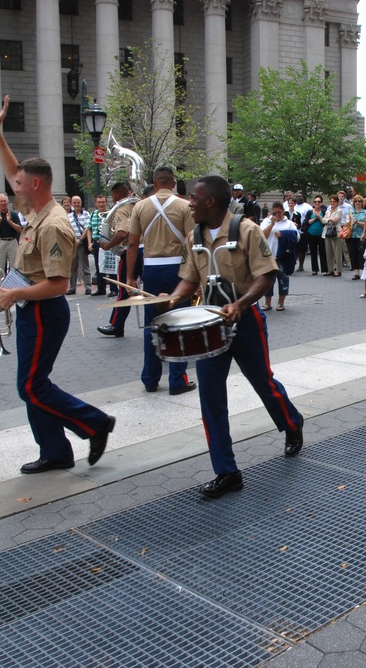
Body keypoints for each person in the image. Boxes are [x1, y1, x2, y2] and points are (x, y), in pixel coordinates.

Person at [0, 95, 115, 473]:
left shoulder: (54, 223)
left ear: (38, 183)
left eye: (21, 182)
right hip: (33, 311)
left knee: (30, 386)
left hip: (45, 311)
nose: (15, 185)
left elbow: (59, 285)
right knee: (34, 384)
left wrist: (14, 292)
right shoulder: (36, 210)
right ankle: (55, 451)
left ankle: (94, 423)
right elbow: (13, 167)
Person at [163, 176, 304, 499]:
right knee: (210, 398)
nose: (190, 203)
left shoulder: (246, 231)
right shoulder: (192, 236)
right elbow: (188, 279)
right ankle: (227, 471)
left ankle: (292, 422)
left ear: (210, 201)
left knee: (263, 382)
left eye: (194, 198)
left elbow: (266, 274)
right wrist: (172, 298)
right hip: (209, 327)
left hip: (246, 322)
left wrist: (240, 304)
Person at [125, 166, 197, 396]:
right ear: (173, 183)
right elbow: (191, 242)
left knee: (151, 324)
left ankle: (149, 378)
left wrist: (129, 276)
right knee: (179, 323)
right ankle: (177, 380)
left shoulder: (140, 206)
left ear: (155, 183)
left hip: (152, 271)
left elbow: (132, 244)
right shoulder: (185, 206)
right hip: (178, 269)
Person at [97, 183, 140, 337]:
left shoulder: (122, 208)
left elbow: (122, 233)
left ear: (117, 195)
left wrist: (108, 245)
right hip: (146, 251)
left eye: (113, 196)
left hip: (130, 252)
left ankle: (116, 325)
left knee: (124, 290)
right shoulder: (139, 205)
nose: (112, 199)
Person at [260, 202, 297, 311]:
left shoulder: (289, 223)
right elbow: (261, 236)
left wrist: (283, 235)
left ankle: (281, 303)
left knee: (283, 279)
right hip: (268, 256)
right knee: (268, 280)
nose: (277, 215)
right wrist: (272, 224)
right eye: (275, 213)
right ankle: (267, 303)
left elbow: (296, 237)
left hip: (282, 256)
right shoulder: (266, 222)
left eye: (279, 213)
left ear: (283, 211)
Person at [66, 195, 92, 295]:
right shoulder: (68, 216)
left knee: (85, 266)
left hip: (82, 243)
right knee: (73, 266)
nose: (76, 204)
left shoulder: (86, 214)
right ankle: (72, 287)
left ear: (81, 203)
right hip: (72, 244)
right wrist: (73, 240)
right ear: (72, 204)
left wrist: (80, 239)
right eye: (75, 202)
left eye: (78, 202)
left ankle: (88, 287)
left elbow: (87, 228)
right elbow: (67, 228)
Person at [0, 193, 22, 275]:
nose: (3, 203)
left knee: (14, 266)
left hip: (12, 241)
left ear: (7, 203)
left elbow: (19, 229)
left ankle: (13, 285)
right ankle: (0, 285)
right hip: (0, 242)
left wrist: (10, 222)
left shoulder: (13, 214)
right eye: (1, 201)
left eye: (5, 201)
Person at [322, 195, 345, 277]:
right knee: (329, 252)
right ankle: (330, 269)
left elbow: (335, 220)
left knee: (337, 252)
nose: (332, 203)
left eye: (334, 202)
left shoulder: (339, 211)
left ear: (337, 202)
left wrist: (328, 219)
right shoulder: (328, 211)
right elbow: (323, 220)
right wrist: (329, 219)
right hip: (327, 232)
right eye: (331, 201)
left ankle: (339, 270)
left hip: (336, 232)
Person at [347, 194, 366, 280]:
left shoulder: (365, 212)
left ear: (362, 203)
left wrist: (358, 222)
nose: (357, 203)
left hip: (362, 235)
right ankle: (356, 273)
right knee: (353, 253)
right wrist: (349, 222)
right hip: (352, 235)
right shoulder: (351, 212)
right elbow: (347, 223)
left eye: (359, 201)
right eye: (356, 201)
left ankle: (363, 271)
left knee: (362, 253)